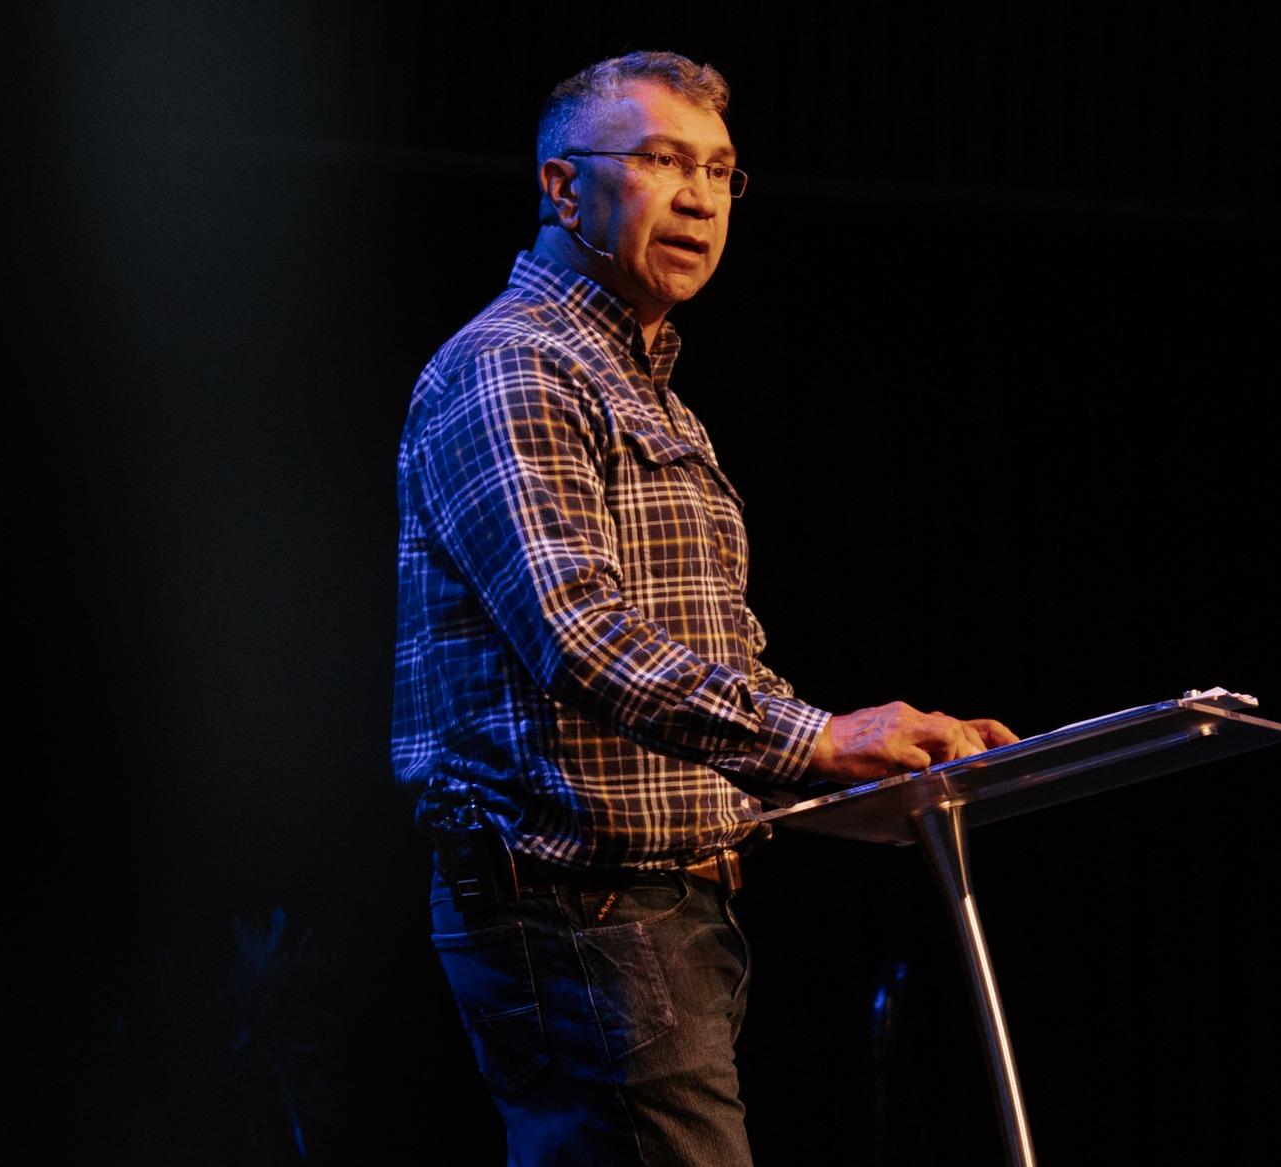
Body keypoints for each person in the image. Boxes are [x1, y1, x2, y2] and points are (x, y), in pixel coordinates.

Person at [392, 50, 1017, 1165]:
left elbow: (704, 650)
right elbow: (578, 638)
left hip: (660, 915)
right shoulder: (517, 367)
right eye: (660, 160)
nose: (698, 197)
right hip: (581, 912)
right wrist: (817, 742)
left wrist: (880, 758)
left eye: (721, 171)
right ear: (560, 186)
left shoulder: (640, 384)